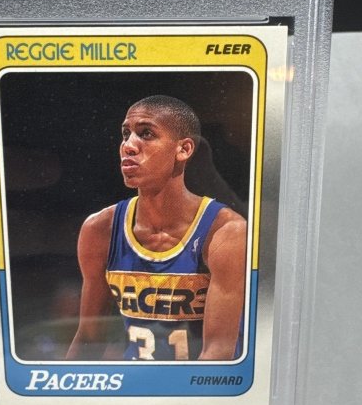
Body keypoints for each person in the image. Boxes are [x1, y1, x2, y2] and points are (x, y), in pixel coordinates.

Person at [66, 95, 247, 361]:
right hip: (134, 381)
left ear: (184, 149)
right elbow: (88, 339)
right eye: (125, 134)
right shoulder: (100, 229)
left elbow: (218, 352)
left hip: (196, 383)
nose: (128, 145)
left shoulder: (225, 231)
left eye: (146, 134)